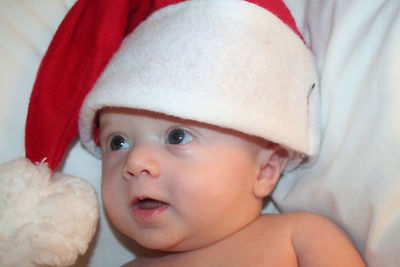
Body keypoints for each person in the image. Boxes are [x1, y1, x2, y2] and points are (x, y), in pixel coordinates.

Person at [0, 0, 366, 266]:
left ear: (266, 170)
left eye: (177, 136)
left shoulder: (298, 238)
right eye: (117, 142)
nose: (135, 161)